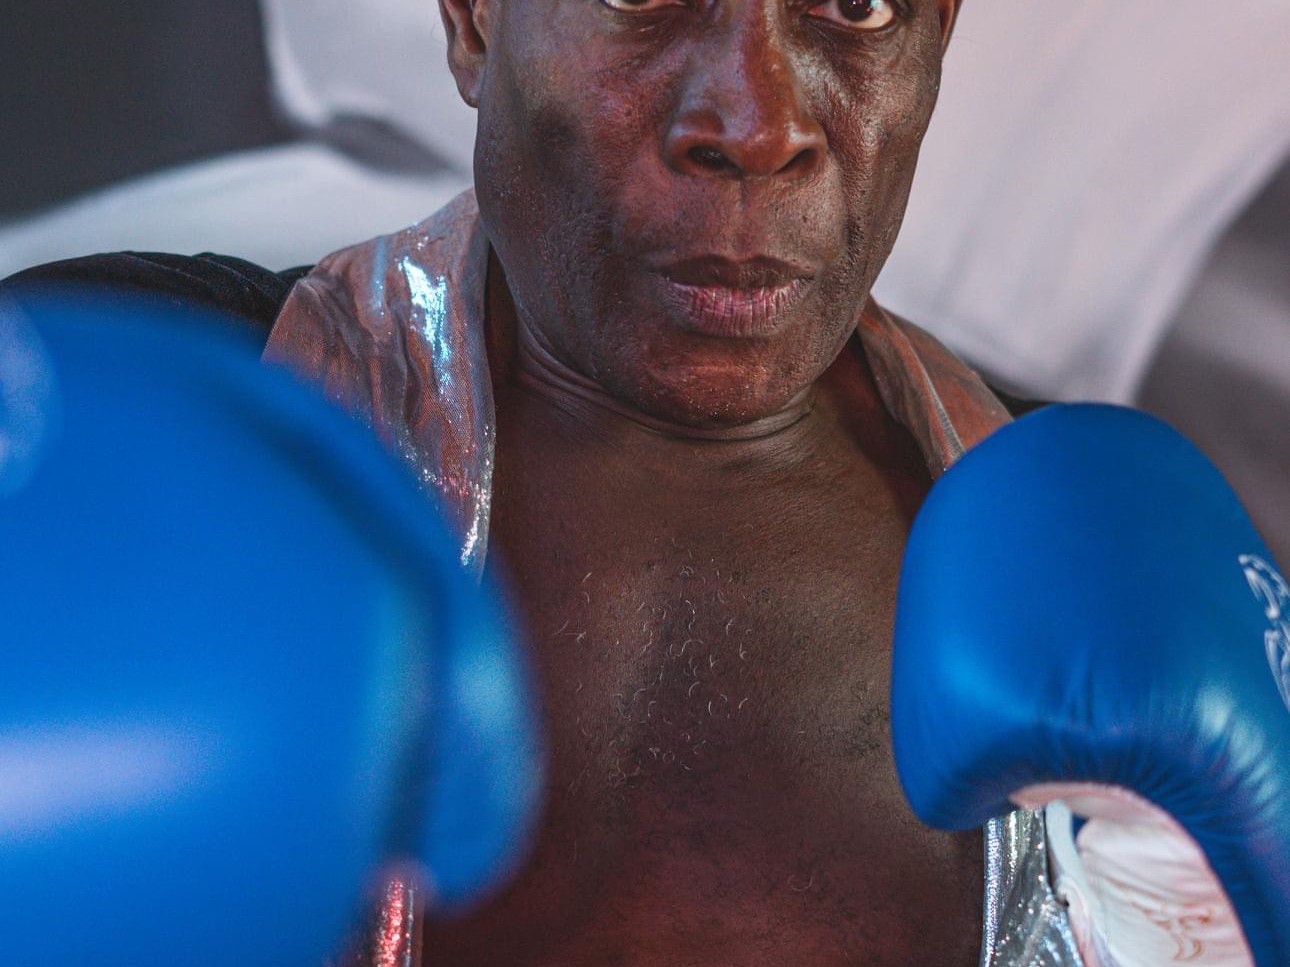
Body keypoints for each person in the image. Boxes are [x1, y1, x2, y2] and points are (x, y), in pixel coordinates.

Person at [12, 2, 1263, 965]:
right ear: (474, 22)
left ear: (936, 37)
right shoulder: (129, 413)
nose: (757, 123)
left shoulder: (1106, 559)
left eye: (854, 5)